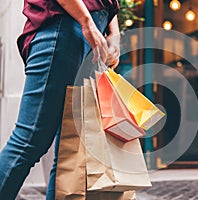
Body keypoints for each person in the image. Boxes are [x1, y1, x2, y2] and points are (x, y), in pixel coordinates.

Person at [0, 0, 120, 199]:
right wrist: (87, 22)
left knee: (68, 152)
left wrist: (113, 32)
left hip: (89, 31)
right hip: (64, 23)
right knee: (29, 139)